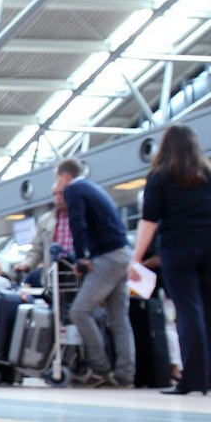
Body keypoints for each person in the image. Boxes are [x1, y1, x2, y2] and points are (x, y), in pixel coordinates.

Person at [130, 125, 211, 395]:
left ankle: (194, 379)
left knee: (189, 312)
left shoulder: (159, 176)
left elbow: (149, 221)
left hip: (178, 248)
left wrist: (136, 258)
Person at [56, 158, 135, 387]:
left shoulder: (74, 189)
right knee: (119, 319)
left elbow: (78, 224)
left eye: (57, 178)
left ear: (65, 175)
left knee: (80, 311)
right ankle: (125, 374)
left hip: (107, 256)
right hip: (122, 253)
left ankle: (100, 369)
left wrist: (81, 257)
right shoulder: (93, 187)